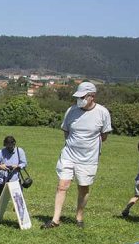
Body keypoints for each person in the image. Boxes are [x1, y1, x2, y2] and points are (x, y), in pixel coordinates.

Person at [42, 81, 112, 229]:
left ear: (92, 96)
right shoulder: (71, 111)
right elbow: (66, 131)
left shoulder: (102, 112)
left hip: (88, 158)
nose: (79, 100)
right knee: (62, 185)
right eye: (78, 97)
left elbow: (104, 135)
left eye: (83, 97)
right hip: (68, 154)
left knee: (83, 187)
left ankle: (79, 217)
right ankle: (55, 220)